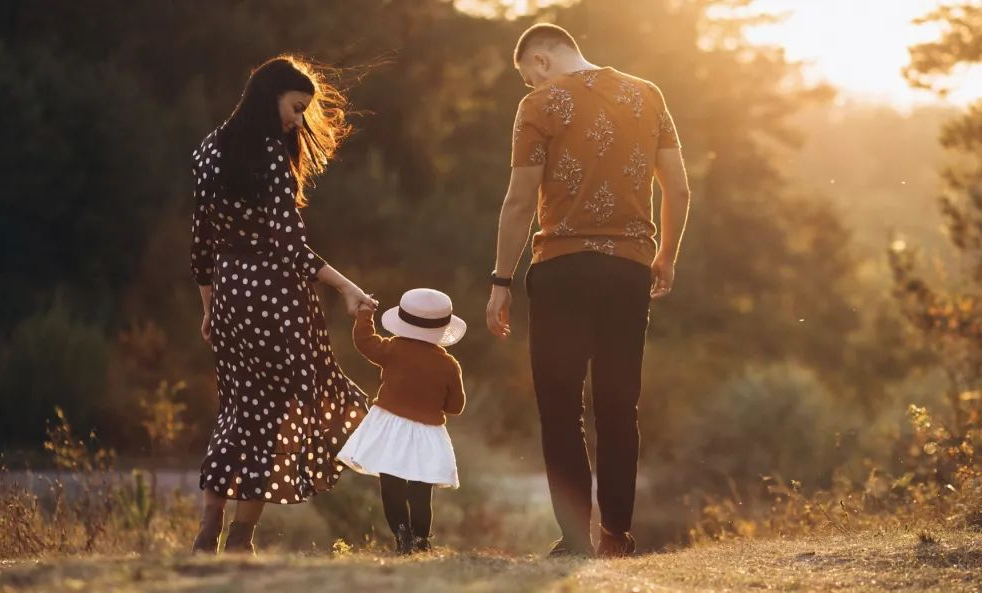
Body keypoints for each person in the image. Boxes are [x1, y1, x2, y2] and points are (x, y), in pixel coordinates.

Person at [486, 23, 691, 558]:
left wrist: (501, 279)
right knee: (619, 404)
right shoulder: (648, 94)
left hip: (561, 269)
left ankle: (576, 539)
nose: (529, 84)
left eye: (528, 74)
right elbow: (680, 186)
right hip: (628, 270)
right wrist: (665, 255)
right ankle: (617, 536)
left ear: (542, 61)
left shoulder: (539, 105)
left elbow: (518, 200)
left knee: (559, 406)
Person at [189, 55, 377, 554]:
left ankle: (210, 527)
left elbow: (202, 243)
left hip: (231, 295)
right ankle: (241, 538)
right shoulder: (271, 154)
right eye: (295, 108)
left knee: (237, 410)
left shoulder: (208, 149)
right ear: (269, 95)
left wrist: (209, 307)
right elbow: (289, 248)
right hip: (277, 297)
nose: (297, 120)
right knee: (278, 414)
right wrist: (345, 287)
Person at [336, 288, 466, 554]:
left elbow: (365, 342)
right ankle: (421, 541)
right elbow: (456, 407)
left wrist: (364, 315)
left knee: (391, 486)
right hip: (427, 434)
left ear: (404, 321)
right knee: (420, 492)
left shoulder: (393, 348)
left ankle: (401, 535)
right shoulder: (449, 365)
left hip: (390, 427)